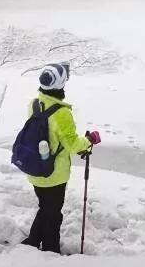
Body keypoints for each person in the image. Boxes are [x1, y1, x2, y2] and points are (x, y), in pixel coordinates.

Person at [21, 62, 95, 253]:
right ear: (61, 84)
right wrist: (89, 140)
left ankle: (32, 242)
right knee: (53, 213)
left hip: (35, 169)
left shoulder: (34, 104)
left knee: (45, 207)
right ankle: (50, 250)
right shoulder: (62, 113)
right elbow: (71, 144)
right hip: (54, 174)